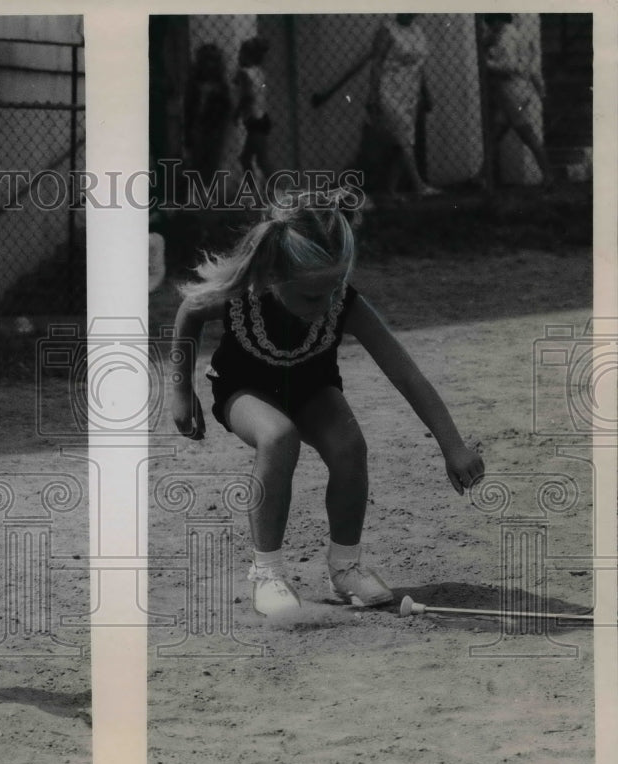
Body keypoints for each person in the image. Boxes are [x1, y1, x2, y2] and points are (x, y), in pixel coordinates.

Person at [170, 190, 484, 619]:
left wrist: (453, 446)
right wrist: (181, 390)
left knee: (350, 444)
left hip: (312, 388)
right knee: (279, 436)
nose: (329, 305)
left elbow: (406, 373)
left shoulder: (343, 305)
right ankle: (267, 572)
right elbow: (189, 311)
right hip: (246, 389)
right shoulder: (239, 294)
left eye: (336, 288)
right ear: (273, 276)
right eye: (314, 297)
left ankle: (345, 565)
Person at [366, 14, 439, 199]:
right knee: (403, 137)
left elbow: (420, 67)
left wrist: (425, 91)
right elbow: (376, 64)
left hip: (410, 92)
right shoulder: (387, 30)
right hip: (389, 90)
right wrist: (373, 94)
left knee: (405, 139)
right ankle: (419, 186)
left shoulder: (417, 31)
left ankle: (391, 189)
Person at [483, 13, 554, 186]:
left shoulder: (505, 38)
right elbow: (532, 68)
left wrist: (486, 64)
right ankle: (481, 175)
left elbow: (509, 66)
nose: (490, 28)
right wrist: (540, 91)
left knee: (527, 135)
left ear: (498, 21)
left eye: (491, 24)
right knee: (496, 135)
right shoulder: (517, 34)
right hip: (520, 89)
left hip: (511, 91)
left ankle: (548, 175)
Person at [185, 42, 232, 193]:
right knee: (197, 161)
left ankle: (208, 192)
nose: (209, 65)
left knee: (212, 162)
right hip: (197, 127)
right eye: (206, 60)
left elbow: (227, 107)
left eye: (213, 60)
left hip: (214, 128)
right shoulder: (194, 84)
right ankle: (199, 192)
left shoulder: (221, 86)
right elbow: (188, 108)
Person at [234, 37, 272, 190]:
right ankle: (258, 190)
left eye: (241, 54)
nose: (238, 57)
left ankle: (280, 190)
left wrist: (236, 113)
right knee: (246, 158)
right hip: (261, 119)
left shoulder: (244, 73)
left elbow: (247, 96)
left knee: (260, 160)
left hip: (254, 121)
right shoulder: (258, 72)